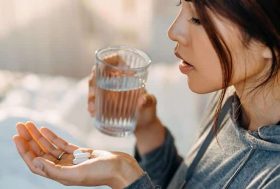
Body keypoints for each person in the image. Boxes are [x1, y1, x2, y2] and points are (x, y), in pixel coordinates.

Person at [13, 0, 280, 188]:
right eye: (181, 6)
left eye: (198, 18)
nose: (173, 31)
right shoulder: (233, 102)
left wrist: (123, 175)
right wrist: (147, 128)